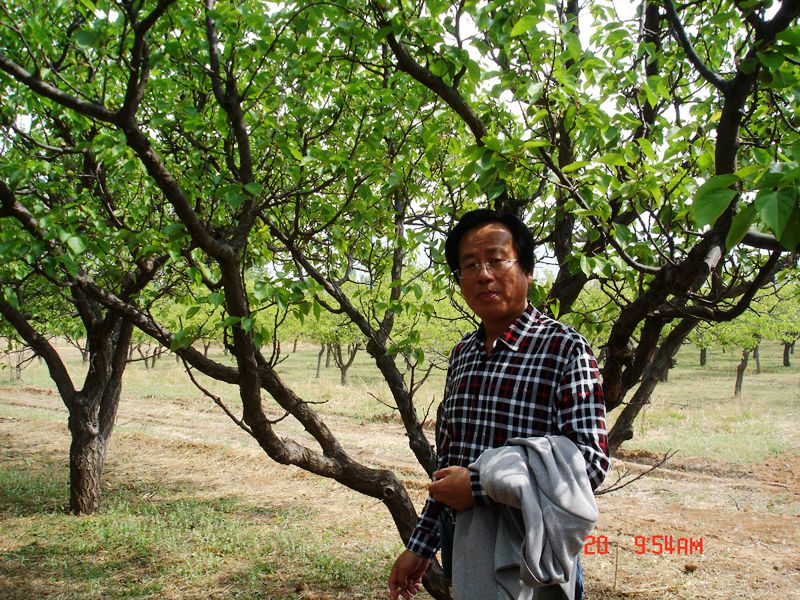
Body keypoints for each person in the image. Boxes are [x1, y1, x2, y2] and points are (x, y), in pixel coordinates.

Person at [388, 209, 609, 600]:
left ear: (527, 270)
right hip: (465, 545)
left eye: (496, 259)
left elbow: (589, 464)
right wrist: (420, 546)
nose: (483, 275)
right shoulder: (463, 354)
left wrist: (479, 486)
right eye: (470, 265)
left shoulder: (564, 349)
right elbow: (449, 462)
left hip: (531, 552)